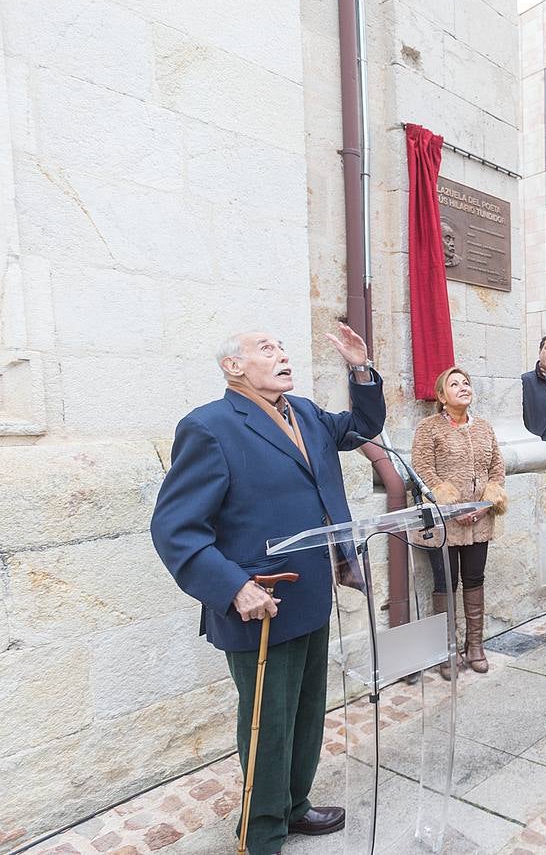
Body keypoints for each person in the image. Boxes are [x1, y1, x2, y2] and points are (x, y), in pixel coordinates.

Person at [151, 326, 384, 853]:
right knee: (266, 724)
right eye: (265, 348)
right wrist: (233, 587)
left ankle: (294, 807)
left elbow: (365, 426)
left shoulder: (304, 411)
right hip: (260, 603)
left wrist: (361, 370)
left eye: (281, 346)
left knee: (305, 714)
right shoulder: (208, 427)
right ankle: (260, 836)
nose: (281, 354)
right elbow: (175, 527)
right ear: (234, 367)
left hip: (311, 596)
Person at [411, 366, 508, 675]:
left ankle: (475, 645)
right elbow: (422, 467)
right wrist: (451, 504)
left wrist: (485, 503)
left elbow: (497, 467)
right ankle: (446, 649)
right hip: (445, 523)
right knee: (445, 583)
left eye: (466, 382)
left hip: (480, 519)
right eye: (455, 384)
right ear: (442, 396)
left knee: (475, 580)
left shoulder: (484, 427)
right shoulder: (429, 428)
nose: (463, 387)